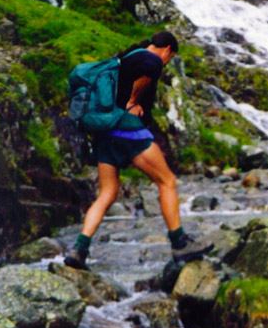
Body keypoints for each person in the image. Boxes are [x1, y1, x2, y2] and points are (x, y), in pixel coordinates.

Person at [64, 31, 212, 270]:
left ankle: (79, 249)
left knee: (108, 192)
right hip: (127, 129)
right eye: (169, 58)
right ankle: (179, 243)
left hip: (105, 133)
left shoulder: (124, 58)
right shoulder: (152, 60)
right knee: (167, 181)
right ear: (168, 51)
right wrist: (133, 102)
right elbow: (136, 89)